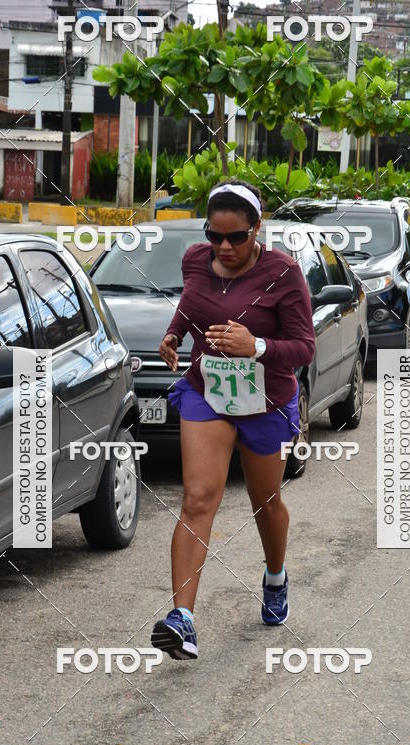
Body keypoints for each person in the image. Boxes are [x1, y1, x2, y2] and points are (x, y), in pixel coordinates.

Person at [150, 180, 316, 660]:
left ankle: (275, 577)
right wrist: (174, 334)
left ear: (257, 229)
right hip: (208, 393)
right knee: (198, 499)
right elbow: (192, 304)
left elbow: (304, 348)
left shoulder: (283, 273)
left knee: (266, 503)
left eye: (236, 237)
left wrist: (255, 346)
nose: (224, 247)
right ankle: (182, 620)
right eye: (215, 236)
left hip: (266, 401)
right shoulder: (195, 261)